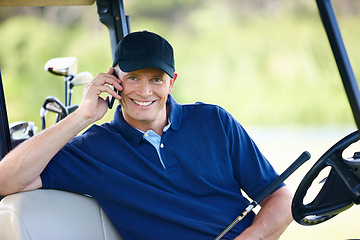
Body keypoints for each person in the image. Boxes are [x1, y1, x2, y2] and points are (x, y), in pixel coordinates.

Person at [0, 30, 293, 239]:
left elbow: (279, 197)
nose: (144, 91)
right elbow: (6, 180)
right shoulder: (93, 148)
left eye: (156, 79)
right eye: (133, 78)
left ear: (172, 82)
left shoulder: (214, 121)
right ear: (113, 79)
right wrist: (82, 116)